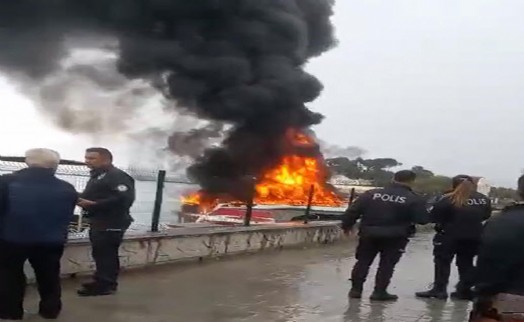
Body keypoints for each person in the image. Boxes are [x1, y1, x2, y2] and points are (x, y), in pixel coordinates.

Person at [0, 149, 78, 320]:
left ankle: (10, 312)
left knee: (9, 276)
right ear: (55, 165)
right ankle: (50, 311)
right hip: (52, 240)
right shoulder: (67, 187)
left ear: (28, 161)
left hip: (12, 238)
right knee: (49, 275)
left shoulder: (6, 182)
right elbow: (67, 214)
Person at [342, 170, 429, 301]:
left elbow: (353, 211)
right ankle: (379, 292)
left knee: (363, 262)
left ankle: (355, 290)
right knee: (387, 265)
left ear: (393, 178)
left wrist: (347, 226)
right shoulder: (414, 198)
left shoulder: (371, 194)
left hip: (369, 234)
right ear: (412, 181)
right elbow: (422, 219)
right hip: (396, 237)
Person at [416, 175, 492, 301]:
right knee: (466, 264)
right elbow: (486, 215)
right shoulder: (483, 199)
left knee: (442, 263)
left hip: (448, 236)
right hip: (474, 236)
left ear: (453, 185)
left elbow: (434, 217)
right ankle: (464, 291)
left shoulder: (447, 199)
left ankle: (440, 290)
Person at [76, 147, 135, 297]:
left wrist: (95, 205)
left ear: (106, 159)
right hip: (99, 220)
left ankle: (106, 284)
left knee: (106, 254)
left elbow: (124, 199)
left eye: (91, 158)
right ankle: (102, 280)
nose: (87, 161)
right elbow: (94, 194)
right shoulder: (98, 176)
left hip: (112, 221)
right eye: (86, 158)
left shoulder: (117, 177)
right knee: (100, 253)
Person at [469, 174, 524, 322]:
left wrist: (480, 294)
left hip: (508, 301)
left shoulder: (500, 222)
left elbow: (489, 266)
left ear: (519, 191)